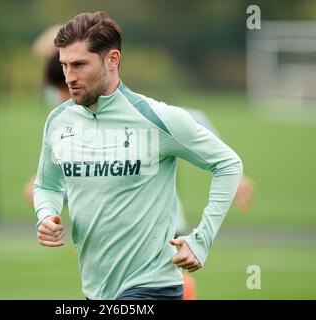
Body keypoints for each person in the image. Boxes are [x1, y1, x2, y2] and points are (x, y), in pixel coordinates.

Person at [33, 11, 243, 300]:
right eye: (65, 65)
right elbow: (47, 185)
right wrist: (46, 215)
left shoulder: (156, 119)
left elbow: (228, 163)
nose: (69, 77)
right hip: (96, 290)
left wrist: (201, 238)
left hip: (152, 286)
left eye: (80, 65)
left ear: (113, 59)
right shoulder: (58, 122)